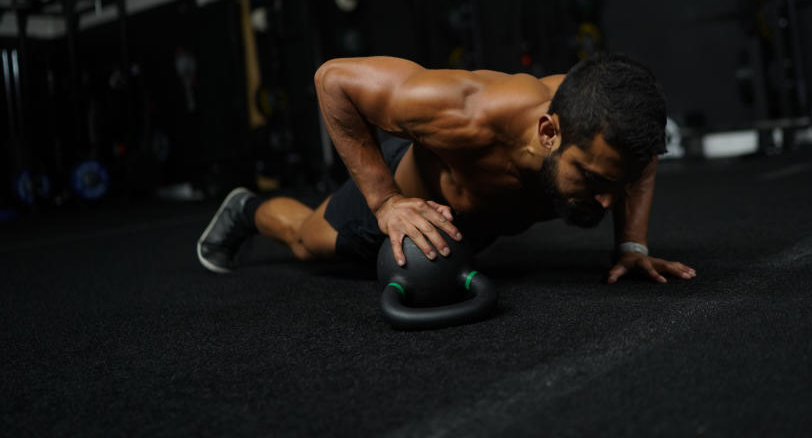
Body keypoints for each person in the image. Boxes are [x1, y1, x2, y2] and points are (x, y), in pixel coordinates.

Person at [197, 53, 695, 284]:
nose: (608, 200)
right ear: (549, 133)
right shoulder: (464, 111)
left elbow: (640, 163)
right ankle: (248, 209)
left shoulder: (613, 131)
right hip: (414, 199)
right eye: (594, 180)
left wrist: (631, 244)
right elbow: (333, 81)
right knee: (309, 244)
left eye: (618, 183)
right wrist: (385, 200)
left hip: (481, 218)